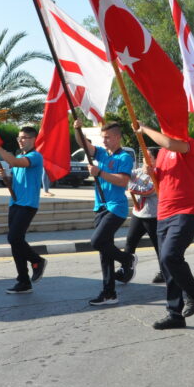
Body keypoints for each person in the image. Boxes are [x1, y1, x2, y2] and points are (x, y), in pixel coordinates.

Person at [136, 121, 194, 329]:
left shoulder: (188, 143)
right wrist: (152, 172)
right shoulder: (164, 154)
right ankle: (175, 314)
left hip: (187, 210)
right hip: (164, 211)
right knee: (167, 265)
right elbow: (163, 180)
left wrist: (144, 129)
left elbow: (168, 142)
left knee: (169, 255)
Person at [74, 120, 137, 307]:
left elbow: (122, 181)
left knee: (97, 241)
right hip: (100, 207)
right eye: (103, 138)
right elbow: (83, 143)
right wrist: (77, 128)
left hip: (115, 208)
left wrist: (99, 172)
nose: (105, 141)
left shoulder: (124, 157)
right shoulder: (100, 153)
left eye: (108, 137)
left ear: (118, 137)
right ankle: (109, 293)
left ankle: (127, 259)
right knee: (105, 252)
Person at [0, 127, 47, 294]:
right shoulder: (18, 157)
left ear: (33, 139)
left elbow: (16, 162)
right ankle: (23, 280)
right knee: (15, 243)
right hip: (15, 203)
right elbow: (14, 181)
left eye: (24, 137)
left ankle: (37, 260)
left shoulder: (35, 157)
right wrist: (5, 178)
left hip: (28, 204)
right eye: (19, 137)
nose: (20, 140)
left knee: (14, 237)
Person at [120, 162, 163, 283]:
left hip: (153, 215)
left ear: (156, 160)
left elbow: (149, 190)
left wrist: (132, 187)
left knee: (158, 246)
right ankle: (126, 270)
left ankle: (164, 272)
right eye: (145, 159)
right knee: (130, 242)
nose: (146, 162)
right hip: (138, 214)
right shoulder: (138, 172)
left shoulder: (158, 175)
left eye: (150, 158)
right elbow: (125, 176)